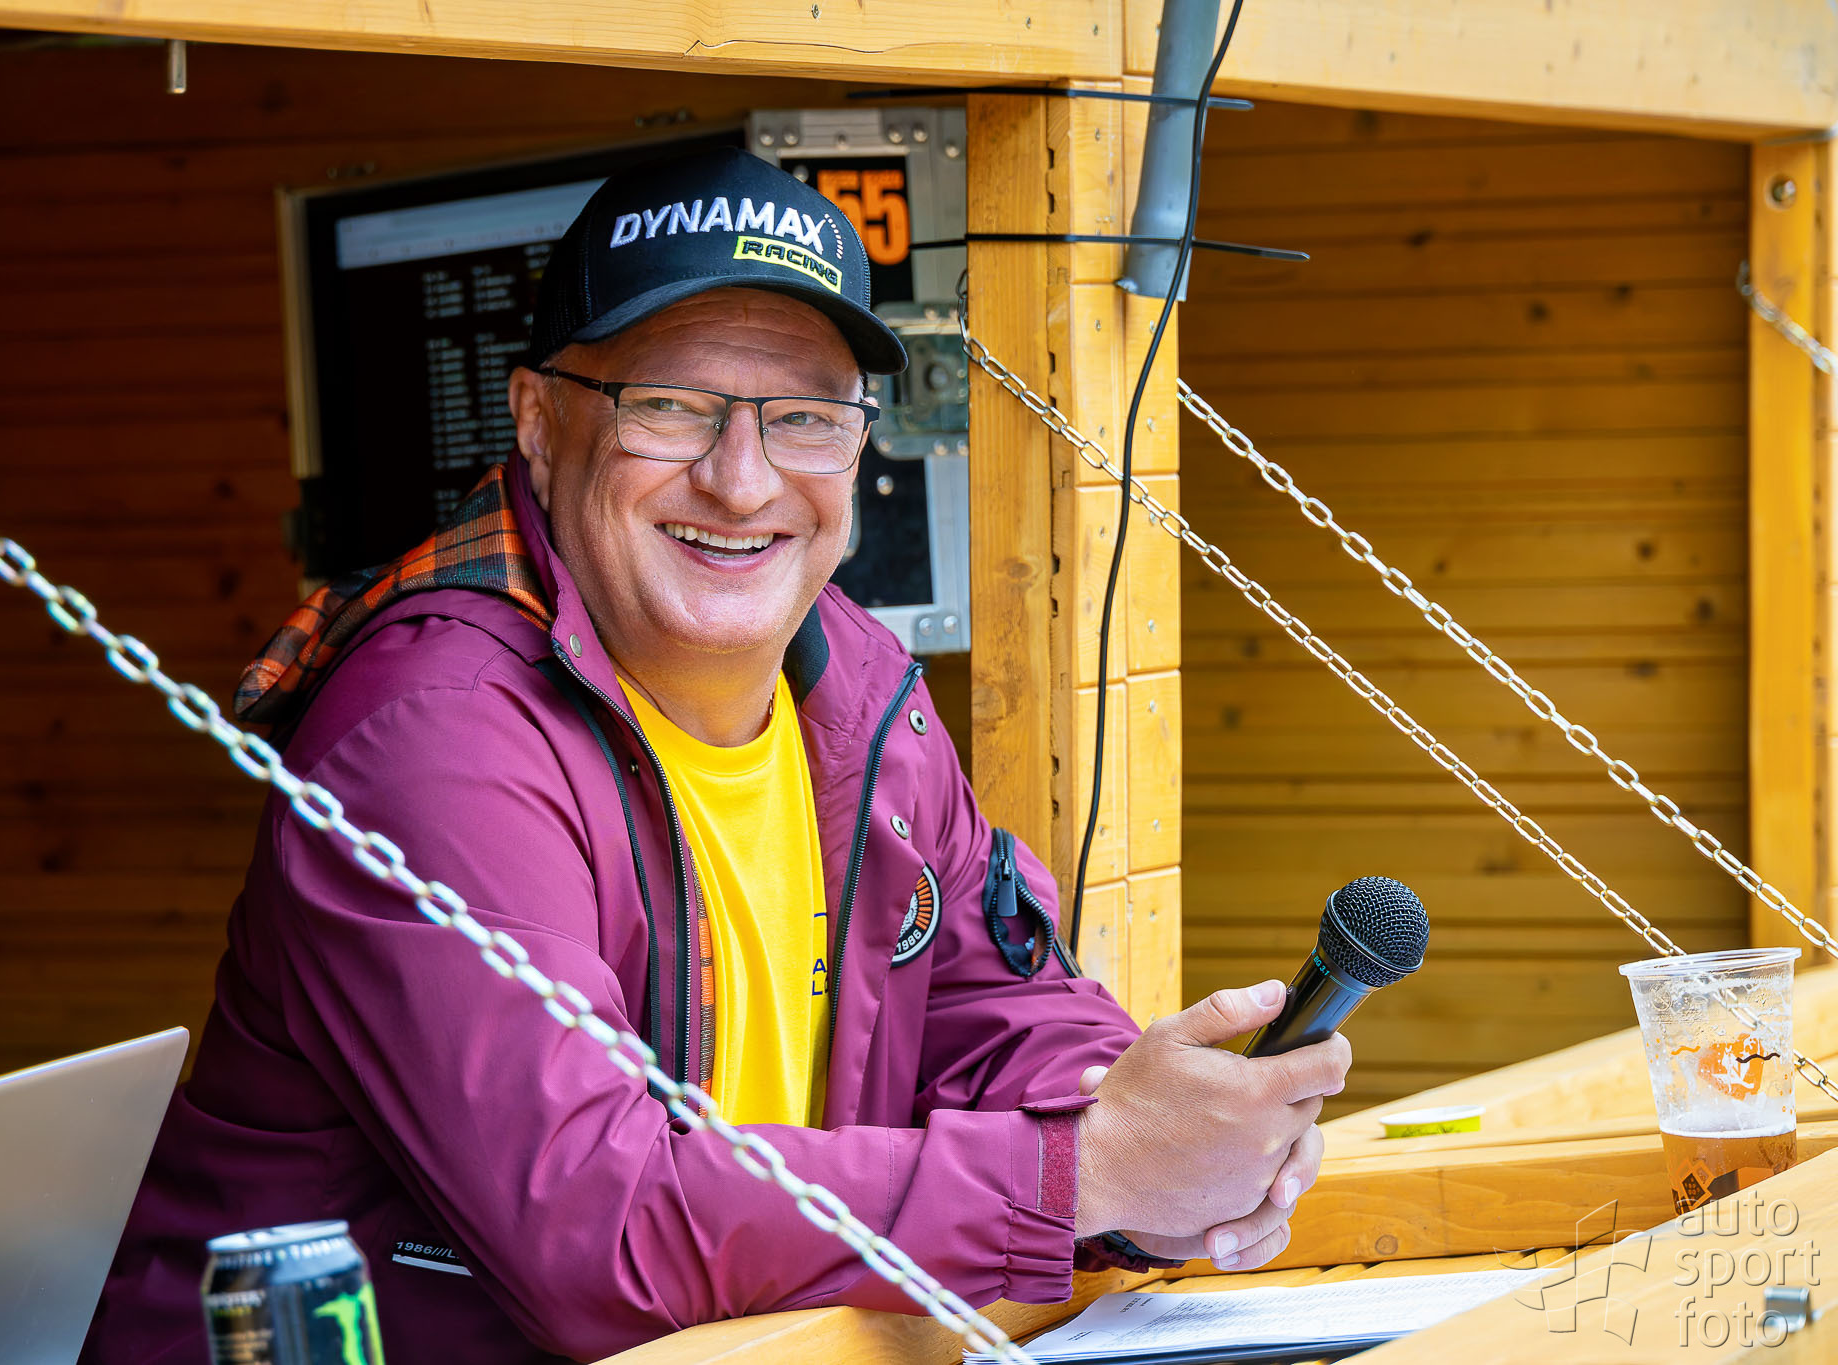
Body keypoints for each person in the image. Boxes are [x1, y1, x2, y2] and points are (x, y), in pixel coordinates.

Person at [82, 147, 1349, 1364]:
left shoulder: (854, 686)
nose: (741, 483)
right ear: (538, 422)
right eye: (671, 408)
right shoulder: (434, 737)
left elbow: (988, 1013)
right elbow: (591, 1228)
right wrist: (1077, 1173)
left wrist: (1160, 1151)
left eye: (804, 419)